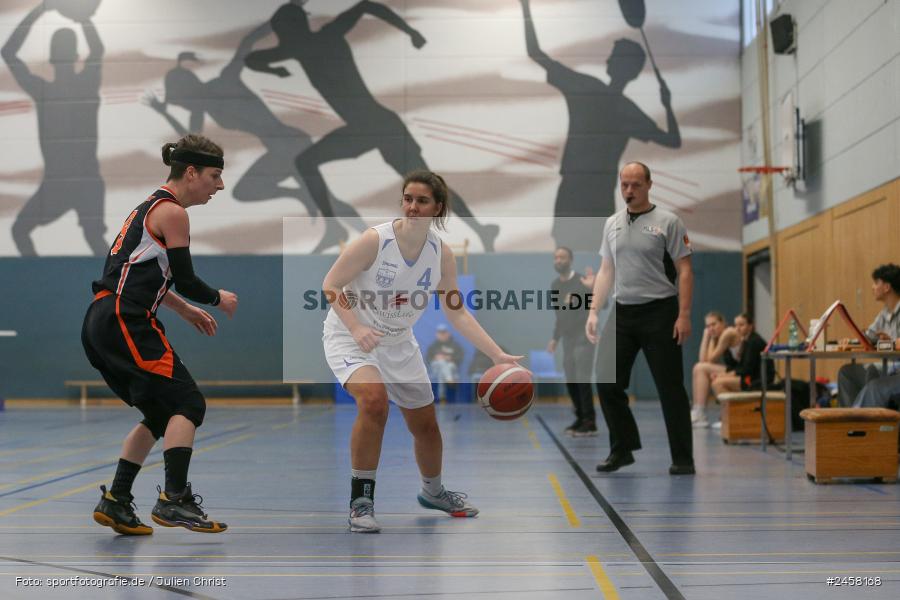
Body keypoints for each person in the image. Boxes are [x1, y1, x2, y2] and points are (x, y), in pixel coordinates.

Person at [321, 169, 522, 533]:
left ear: (438, 208)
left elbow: (457, 312)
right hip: (351, 336)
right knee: (374, 402)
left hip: (399, 342)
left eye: (422, 201)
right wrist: (356, 326)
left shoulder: (440, 254)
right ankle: (361, 501)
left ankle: (433, 491)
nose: (412, 207)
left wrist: (497, 355)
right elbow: (331, 285)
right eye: (408, 199)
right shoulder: (374, 240)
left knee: (426, 425)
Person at [246, 0, 499, 253]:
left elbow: (253, 59)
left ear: (290, 30)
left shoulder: (311, 43)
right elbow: (252, 60)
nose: (282, 39)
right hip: (367, 127)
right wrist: (410, 32)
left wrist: (410, 31)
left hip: (379, 125)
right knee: (306, 163)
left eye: (282, 32)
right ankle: (334, 228)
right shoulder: (310, 44)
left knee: (429, 187)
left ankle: (480, 229)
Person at [83, 134, 238, 535]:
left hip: (105, 318)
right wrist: (216, 298)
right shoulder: (172, 212)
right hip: (125, 319)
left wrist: (185, 310)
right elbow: (185, 278)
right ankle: (174, 499)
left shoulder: (148, 208)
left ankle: (116, 500)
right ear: (191, 172)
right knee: (188, 403)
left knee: (159, 413)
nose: (219, 186)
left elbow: (142, 274)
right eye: (215, 176)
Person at [143, 24, 365, 237]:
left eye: (182, 102)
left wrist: (279, 19)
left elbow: (248, 41)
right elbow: (189, 147)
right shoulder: (202, 110)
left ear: (189, 90)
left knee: (326, 199)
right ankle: (315, 209)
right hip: (279, 149)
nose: (185, 106)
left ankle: (370, 239)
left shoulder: (226, 79)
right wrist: (164, 113)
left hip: (290, 142)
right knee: (248, 191)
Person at [519, 0, 680, 250]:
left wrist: (525, 8)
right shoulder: (628, 111)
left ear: (609, 63)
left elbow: (535, 52)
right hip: (597, 192)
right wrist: (667, 104)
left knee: (569, 252)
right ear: (635, 73)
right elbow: (673, 139)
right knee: (597, 256)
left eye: (614, 57)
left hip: (577, 188)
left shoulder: (584, 87)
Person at [585, 161, 695, 475]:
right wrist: (594, 311)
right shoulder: (612, 224)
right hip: (622, 313)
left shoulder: (669, 222)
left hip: (661, 312)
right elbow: (607, 271)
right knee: (606, 384)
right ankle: (622, 449)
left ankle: (683, 458)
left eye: (635, 185)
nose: (629, 191)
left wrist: (684, 314)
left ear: (649, 184)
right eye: (624, 185)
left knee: (670, 388)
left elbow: (685, 270)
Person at [2, 2, 107, 256]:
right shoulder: (85, 85)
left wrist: (41, 10)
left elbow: (9, 52)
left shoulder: (45, 91)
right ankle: (118, 291)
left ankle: (115, 290)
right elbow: (97, 49)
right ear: (75, 56)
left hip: (67, 181)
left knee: (20, 231)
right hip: (76, 181)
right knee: (94, 239)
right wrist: (82, 18)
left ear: (51, 59)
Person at [546, 247, 597, 436]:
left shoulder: (583, 281)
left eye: (562, 257)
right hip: (567, 338)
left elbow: (603, 304)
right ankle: (580, 416)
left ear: (570, 260)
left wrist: (593, 289)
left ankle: (590, 421)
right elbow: (559, 315)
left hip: (584, 336)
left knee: (582, 378)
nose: (558, 260)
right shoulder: (555, 285)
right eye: (556, 257)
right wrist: (554, 338)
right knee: (571, 379)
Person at [836, 264, 900, 405]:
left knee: (874, 384)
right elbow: (870, 336)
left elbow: (895, 344)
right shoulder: (884, 313)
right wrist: (853, 342)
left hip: (896, 370)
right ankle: (847, 420)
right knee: (847, 373)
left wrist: (890, 342)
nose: (872, 287)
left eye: (876, 283)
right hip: (887, 367)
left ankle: (858, 423)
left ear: (887, 287)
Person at [691, 311, 740, 428]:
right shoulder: (718, 337)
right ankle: (698, 410)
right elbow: (704, 360)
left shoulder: (728, 333)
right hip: (736, 370)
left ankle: (700, 412)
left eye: (714, 324)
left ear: (723, 323)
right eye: (708, 326)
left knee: (700, 368)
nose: (711, 328)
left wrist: (708, 338)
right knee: (699, 368)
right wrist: (707, 336)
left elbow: (710, 359)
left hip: (746, 373)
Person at [710, 313, 775, 400]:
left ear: (750, 326)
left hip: (758, 380)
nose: (737, 328)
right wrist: (723, 374)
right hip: (751, 376)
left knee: (717, 383)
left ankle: (733, 411)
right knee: (717, 381)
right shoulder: (746, 340)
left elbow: (746, 369)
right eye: (735, 325)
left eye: (741, 325)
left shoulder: (754, 341)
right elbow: (740, 366)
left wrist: (725, 376)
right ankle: (733, 410)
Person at [426, 324, 464, 402]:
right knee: (441, 363)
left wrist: (450, 358)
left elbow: (460, 357)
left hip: (451, 367)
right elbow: (428, 359)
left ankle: (442, 398)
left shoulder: (455, 345)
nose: (442, 335)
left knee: (443, 371)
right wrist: (435, 358)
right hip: (435, 368)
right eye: (440, 333)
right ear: (437, 334)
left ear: (448, 334)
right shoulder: (433, 346)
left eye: (444, 333)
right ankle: (449, 379)